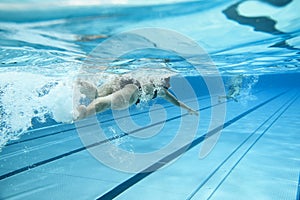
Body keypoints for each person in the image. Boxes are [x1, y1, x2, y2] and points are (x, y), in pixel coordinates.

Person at [74, 75, 198, 120]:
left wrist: (189, 109)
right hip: (134, 88)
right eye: (168, 80)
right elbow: (175, 102)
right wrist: (189, 110)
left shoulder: (158, 85)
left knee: (97, 94)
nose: (169, 84)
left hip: (122, 79)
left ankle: (77, 84)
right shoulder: (160, 91)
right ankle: (83, 114)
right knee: (108, 101)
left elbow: (176, 102)